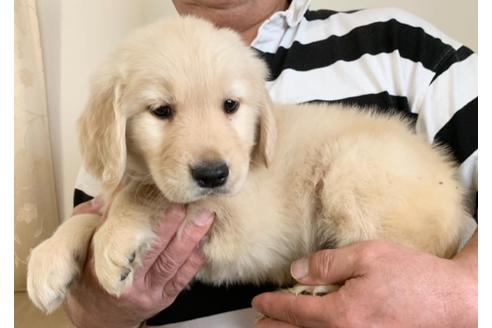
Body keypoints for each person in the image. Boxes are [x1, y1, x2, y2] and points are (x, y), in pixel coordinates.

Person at [67, 0, 478, 327]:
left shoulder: (400, 46)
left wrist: (467, 292)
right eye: (161, 110)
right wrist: (95, 311)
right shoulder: (126, 91)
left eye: (230, 106)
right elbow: (94, 293)